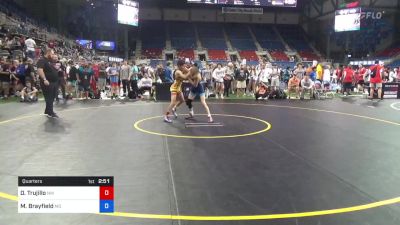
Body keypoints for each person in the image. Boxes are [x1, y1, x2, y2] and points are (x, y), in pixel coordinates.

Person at [37, 48, 59, 118]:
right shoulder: (42, 60)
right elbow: (40, 70)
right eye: (52, 54)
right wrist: (44, 79)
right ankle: (51, 112)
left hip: (53, 82)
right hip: (47, 82)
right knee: (49, 97)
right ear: (48, 53)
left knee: (52, 97)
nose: (53, 55)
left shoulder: (49, 61)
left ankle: (47, 110)